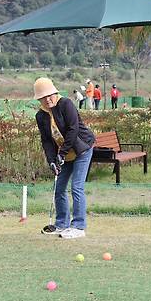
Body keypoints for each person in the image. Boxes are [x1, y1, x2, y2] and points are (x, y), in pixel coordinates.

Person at [34, 78, 95, 239]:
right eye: (43, 97)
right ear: (39, 99)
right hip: (64, 154)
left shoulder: (66, 104)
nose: (48, 99)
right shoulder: (40, 116)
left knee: (76, 187)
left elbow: (73, 130)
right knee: (59, 188)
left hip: (82, 149)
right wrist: (52, 160)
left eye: (50, 95)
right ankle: (61, 224)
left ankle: (79, 226)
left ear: (55, 93)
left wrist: (61, 154)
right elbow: (46, 140)